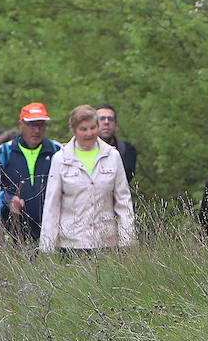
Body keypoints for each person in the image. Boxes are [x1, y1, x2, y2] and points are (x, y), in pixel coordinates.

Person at [39, 105, 136, 253]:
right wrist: (47, 246)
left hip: (106, 242)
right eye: (83, 129)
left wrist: (127, 240)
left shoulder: (112, 155)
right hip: (71, 244)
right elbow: (52, 205)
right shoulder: (60, 159)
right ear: (73, 129)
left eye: (93, 128)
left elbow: (123, 200)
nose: (89, 133)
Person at [0, 103, 60, 243]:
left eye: (41, 125)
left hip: (51, 230)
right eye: (32, 125)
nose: (37, 130)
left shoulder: (56, 150)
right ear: (21, 125)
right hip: (14, 232)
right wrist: (7, 199)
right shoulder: (4, 151)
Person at [96, 104, 139, 185]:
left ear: (116, 126)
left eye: (110, 119)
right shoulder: (82, 150)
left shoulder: (127, 150)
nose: (106, 122)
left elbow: (125, 177)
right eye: (101, 119)